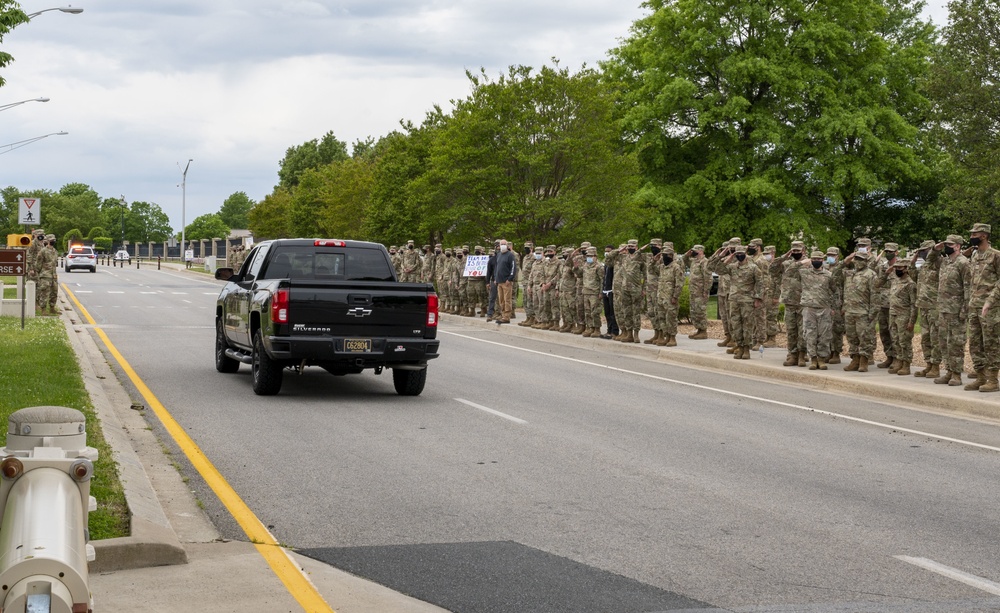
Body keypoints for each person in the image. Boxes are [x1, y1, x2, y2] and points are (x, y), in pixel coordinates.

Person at [964, 223, 1000, 392]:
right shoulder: (975, 255)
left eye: (975, 234)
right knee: (975, 344)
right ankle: (981, 377)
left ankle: (993, 380)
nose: (972, 236)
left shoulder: (995, 256)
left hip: (990, 308)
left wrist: (990, 301)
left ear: (984, 235)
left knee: (991, 343)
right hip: (974, 306)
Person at [712, 244, 763, 359]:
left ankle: (746, 349)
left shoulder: (753, 267)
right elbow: (717, 269)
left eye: (741, 253)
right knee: (736, 325)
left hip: (747, 300)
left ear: (745, 254)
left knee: (747, 326)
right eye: (737, 254)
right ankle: (739, 347)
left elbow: (760, 283)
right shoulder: (732, 267)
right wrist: (727, 258)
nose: (739, 256)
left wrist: (758, 298)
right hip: (734, 300)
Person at [834, 250, 878, 372]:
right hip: (849, 311)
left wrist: (872, 314)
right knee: (851, 337)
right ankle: (855, 359)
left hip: (863, 312)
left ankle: (864, 361)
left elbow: (875, 296)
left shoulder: (871, 275)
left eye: (861, 259)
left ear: (866, 261)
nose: (858, 262)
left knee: (864, 337)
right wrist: (845, 261)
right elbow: (834, 274)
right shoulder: (848, 273)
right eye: (857, 259)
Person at [799, 251, 837, 370]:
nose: (816, 261)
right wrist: (801, 262)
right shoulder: (804, 272)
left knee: (824, 335)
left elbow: (835, 291)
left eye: (818, 259)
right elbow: (788, 271)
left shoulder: (828, 275)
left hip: (824, 309)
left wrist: (834, 307)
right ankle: (813, 359)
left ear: (822, 260)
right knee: (810, 335)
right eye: (814, 258)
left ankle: (821, 359)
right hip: (809, 308)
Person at [771, 240, 807, 367]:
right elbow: (772, 269)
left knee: (803, 331)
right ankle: (792, 355)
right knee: (791, 330)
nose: (796, 253)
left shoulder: (808, 263)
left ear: (804, 251)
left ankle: (802, 355)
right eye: (793, 250)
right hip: (789, 302)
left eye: (798, 250)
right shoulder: (786, 263)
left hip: (803, 302)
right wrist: (783, 256)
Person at [910, 240, 941, 378]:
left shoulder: (940, 263)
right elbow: (913, 277)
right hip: (923, 306)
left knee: (935, 338)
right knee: (925, 338)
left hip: (935, 307)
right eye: (920, 251)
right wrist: (913, 261)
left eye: (925, 250)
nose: (922, 253)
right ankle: (928, 364)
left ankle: (936, 366)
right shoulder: (923, 267)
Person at [887, 259, 917, 376]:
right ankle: (898, 361)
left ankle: (906, 364)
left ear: (906, 269)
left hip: (904, 315)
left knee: (904, 341)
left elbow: (913, 304)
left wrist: (912, 321)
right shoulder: (895, 280)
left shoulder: (910, 284)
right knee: (895, 340)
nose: (897, 270)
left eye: (900, 268)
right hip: (893, 313)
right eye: (896, 268)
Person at [873, 242, 900, 369]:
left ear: (896, 252)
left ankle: (897, 358)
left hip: (896, 305)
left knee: (895, 332)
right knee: (884, 332)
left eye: (891, 251)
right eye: (887, 251)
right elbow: (877, 283)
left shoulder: (902, 266)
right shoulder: (882, 267)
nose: (889, 254)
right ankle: (889, 356)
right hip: (883, 304)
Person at [617, 239, 646, 343]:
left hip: (636, 289)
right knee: (627, 312)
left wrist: (644, 289)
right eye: (628, 246)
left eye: (632, 247)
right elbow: (610, 257)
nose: (630, 248)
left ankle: (636, 334)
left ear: (637, 247)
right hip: (625, 288)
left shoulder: (641, 259)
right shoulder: (624, 258)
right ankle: (629, 334)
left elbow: (646, 275)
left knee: (636, 312)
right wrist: (620, 250)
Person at [656, 242, 685, 346]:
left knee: (671, 318)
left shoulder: (676, 268)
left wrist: (675, 296)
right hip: (661, 297)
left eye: (665, 255)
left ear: (671, 256)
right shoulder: (662, 267)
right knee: (662, 317)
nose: (663, 257)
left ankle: (672, 337)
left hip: (670, 298)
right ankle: (666, 336)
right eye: (662, 255)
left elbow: (679, 284)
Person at [683, 244, 712, 339]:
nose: (693, 252)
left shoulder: (704, 262)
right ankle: (699, 329)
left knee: (700, 311)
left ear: (701, 251)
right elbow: (684, 261)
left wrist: (706, 291)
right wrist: (686, 255)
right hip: (694, 291)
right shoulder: (694, 261)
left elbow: (708, 278)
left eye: (695, 250)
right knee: (694, 311)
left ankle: (703, 331)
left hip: (700, 291)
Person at [825, 246, 844, 363]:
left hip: (837, 302)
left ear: (838, 256)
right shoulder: (824, 267)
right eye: (829, 255)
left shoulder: (841, 269)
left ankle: (836, 353)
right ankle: (828, 352)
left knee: (837, 329)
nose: (830, 257)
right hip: (826, 302)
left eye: (833, 255)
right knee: (826, 329)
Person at [580, 247, 605, 337]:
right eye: (588, 256)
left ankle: (597, 329)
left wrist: (601, 292)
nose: (589, 257)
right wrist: (575, 267)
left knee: (595, 312)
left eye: (591, 256)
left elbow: (602, 280)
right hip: (586, 291)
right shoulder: (585, 265)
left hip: (595, 292)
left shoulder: (599, 266)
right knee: (587, 311)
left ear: (595, 256)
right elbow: (579, 274)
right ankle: (590, 327)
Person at [643, 239, 664, 344]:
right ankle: (656, 333)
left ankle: (661, 334)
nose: (652, 247)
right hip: (649, 288)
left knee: (658, 312)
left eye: (654, 245)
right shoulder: (649, 256)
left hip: (658, 289)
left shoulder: (664, 258)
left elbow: (657, 271)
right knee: (651, 312)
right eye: (651, 245)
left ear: (660, 245)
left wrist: (655, 261)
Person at [494, 239, 517, 323]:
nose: (503, 245)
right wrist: (495, 278)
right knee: (501, 300)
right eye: (501, 244)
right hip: (499, 281)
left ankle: (507, 316)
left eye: (504, 244)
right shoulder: (499, 255)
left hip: (506, 281)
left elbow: (513, 267)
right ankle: (503, 314)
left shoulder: (510, 255)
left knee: (507, 299)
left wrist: (510, 278)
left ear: (507, 245)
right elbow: (497, 268)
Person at [601, 245, 619, 340]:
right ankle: (609, 330)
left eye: (608, 251)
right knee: (607, 312)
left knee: (613, 312)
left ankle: (614, 331)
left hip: (612, 290)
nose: (606, 253)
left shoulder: (614, 263)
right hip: (605, 289)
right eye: (605, 251)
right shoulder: (606, 264)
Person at [518, 242, 536, 327]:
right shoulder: (525, 257)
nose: (526, 249)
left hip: (530, 283)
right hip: (524, 282)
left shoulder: (534, 258)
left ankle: (533, 318)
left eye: (527, 248)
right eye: (525, 248)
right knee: (525, 301)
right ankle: (528, 317)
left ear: (531, 248)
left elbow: (534, 271)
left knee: (530, 301)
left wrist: (531, 283)